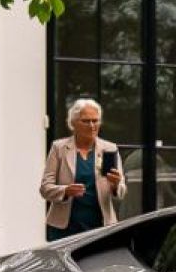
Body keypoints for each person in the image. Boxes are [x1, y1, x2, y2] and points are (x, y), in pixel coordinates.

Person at [41, 98, 127, 241]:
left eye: (95, 120)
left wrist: (116, 185)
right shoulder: (59, 148)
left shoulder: (109, 149)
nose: (92, 125)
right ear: (73, 123)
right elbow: (45, 188)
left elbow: (121, 191)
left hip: (100, 226)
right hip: (64, 228)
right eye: (86, 121)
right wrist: (65, 191)